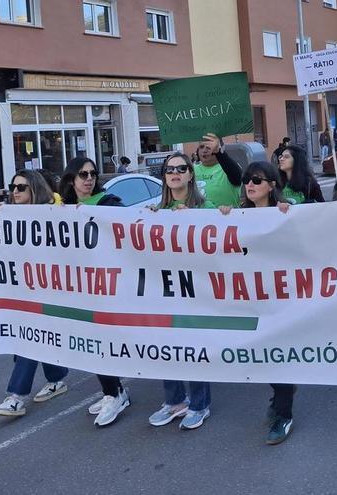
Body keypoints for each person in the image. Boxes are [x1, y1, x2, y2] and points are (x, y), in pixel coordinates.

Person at [145, 153, 226, 430]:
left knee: (193, 347)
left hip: (197, 291)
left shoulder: (206, 207)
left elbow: (223, 240)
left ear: (191, 175)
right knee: (167, 346)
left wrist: (211, 216)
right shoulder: (155, 211)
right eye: (169, 169)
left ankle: (199, 404)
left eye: (181, 168)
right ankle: (174, 401)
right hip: (165, 289)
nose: (175, 172)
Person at [59, 157, 131, 426]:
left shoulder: (107, 202)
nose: (89, 178)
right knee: (91, 342)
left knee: (102, 341)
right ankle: (113, 391)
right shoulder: (60, 207)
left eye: (92, 173)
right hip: (77, 286)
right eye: (82, 174)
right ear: (71, 179)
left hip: (105, 286)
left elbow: (127, 225)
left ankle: (114, 393)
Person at [0, 170, 68, 417]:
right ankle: (57, 378)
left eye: (21, 187)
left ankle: (16, 396)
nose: (15, 191)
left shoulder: (54, 213)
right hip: (22, 290)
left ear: (34, 189)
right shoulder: (10, 215)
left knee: (29, 340)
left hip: (48, 290)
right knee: (35, 338)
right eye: (13, 186)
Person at [237, 161, 294, 444]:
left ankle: (284, 414)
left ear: (272, 185)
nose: (250, 185)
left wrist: (289, 215)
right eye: (247, 179)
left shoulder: (287, 210)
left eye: (257, 180)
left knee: (278, 353)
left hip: (282, 295)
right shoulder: (238, 215)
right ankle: (281, 392)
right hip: (252, 296)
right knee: (263, 354)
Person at [194, 133, 243, 208]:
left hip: (226, 218)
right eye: (201, 147)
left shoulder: (228, 168)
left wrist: (219, 152)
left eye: (208, 147)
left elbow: (237, 176)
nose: (204, 150)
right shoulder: (191, 170)